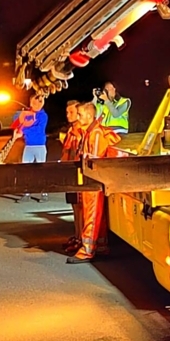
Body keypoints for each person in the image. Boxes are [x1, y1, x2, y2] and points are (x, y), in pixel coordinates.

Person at [68, 102, 121, 264]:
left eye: (80, 114)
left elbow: (94, 159)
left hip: (93, 180)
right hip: (92, 180)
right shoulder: (90, 131)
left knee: (91, 214)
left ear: (90, 116)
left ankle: (87, 250)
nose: (78, 117)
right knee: (97, 214)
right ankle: (101, 245)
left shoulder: (96, 133)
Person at [11, 93, 49, 202]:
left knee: (41, 170)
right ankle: (26, 193)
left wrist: (22, 130)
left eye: (40, 102)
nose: (37, 104)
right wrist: (18, 130)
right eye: (35, 102)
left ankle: (44, 193)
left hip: (39, 146)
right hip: (28, 146)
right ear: (31, 103)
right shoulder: (27, 114)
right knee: (25, 170)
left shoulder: (43, 115)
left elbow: (37, 129)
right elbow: (19, 123)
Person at [59, 100, 85, 255]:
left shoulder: (80, 131)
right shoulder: (71, 130)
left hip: (76, 173)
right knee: (74, 207)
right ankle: (76, 236)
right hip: (68, 172)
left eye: (71, 112)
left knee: (79, 208)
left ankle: (81, 238)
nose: (68, 115)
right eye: (67, 112)